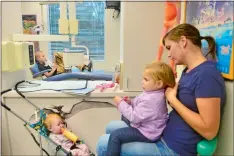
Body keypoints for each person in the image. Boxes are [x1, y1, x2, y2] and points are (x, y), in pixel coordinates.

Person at [96, 23, 226, 156]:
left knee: (103, 144)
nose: (168, 55)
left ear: (183, 41)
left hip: (173, 148)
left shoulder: (207, 75)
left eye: (169, 48)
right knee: (111, 127)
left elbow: (209, 131)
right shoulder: (188, 71)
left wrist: (173, 100)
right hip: (163, 133)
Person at [106, 61, 175, 156]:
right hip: (146, 125)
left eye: (146, 80)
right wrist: (130, 102)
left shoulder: (152, 99)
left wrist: (121, 103)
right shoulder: (152, 93)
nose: (142, 81)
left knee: (115, 135)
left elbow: (134, 117)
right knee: (124, 116)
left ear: (159, 84)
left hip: (147, 132)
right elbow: (142, 107)